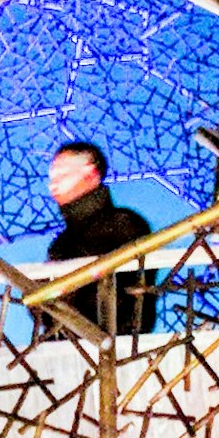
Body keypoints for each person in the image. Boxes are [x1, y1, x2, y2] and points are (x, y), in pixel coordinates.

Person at [45, 140, 158, 339]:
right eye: (52, 177)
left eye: (63, 175)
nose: (53, 184)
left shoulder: (123, 225)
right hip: (71, 344)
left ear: (90, 173)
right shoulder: (62, 242)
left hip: (118, 343)